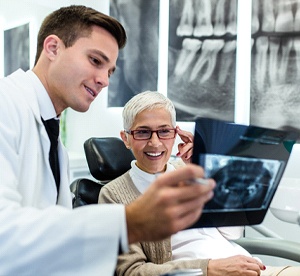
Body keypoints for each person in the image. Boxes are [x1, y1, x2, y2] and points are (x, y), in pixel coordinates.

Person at [0, 5, 216, 275]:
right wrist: (129, 223)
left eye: (111, 71)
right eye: (95, 61)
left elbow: (61, 251)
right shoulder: (5, 105)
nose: (104, 81)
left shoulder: (55, 145)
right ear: (53, 48)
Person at [99, 91, 300, 276]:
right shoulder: (113, 194)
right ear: (126, 138)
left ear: (175, 133)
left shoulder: (189, 170)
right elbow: (132, 271)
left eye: (164, 131)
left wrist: (207, 169)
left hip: (251, 269)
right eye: (143, 132)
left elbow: (232, 232)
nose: (155, 142)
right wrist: (208, 268)